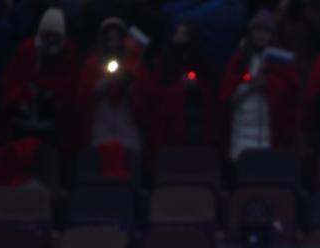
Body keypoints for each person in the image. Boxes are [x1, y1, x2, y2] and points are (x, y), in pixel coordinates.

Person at [217, 9, 300, 161]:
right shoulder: (239, 59)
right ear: (251, 33)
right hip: (242, 129)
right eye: (258, 31)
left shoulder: (280, 60)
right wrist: (250, 86)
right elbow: (227, 94)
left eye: (266, 31)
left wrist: (269, 85)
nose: (261, 35)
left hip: (271, 130)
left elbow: (291, 93)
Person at [137, 22, 218, 165]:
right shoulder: (166, 59)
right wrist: (178, 87)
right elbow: (158, 87)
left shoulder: (200, 58)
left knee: (193, 147)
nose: (179, 36)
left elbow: (210, 86)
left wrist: (196, 86)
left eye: (184, 33)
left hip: (194, 112)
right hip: (170, 114)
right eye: (178, 32)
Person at [1, 8, 78, 145]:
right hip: (23, 117)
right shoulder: (27, 50)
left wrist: (52, 95)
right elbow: (12, 80)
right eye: (47, 35)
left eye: (54, 36)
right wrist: (21, 97)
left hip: (54, 121)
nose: (50, 40)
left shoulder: (68, 53)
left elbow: (71, 86)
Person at [74, 17, 147, 153]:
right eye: (109, 39)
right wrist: (99, 86)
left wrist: (132, 89)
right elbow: (83, 94)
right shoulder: (92, 63)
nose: (113, 42)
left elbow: (145, 96)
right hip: (101, 118)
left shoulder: (134, 64)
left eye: (117, 38)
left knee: (129, 152)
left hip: (126, 117)